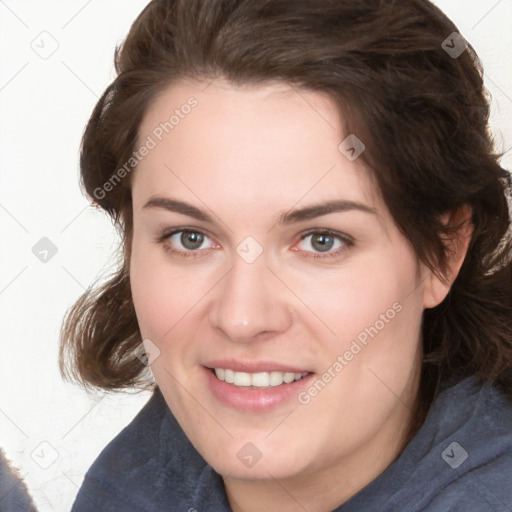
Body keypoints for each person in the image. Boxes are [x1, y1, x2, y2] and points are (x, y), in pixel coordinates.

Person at [59, 0, 512, 510]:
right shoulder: (131, 482)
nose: (242, 318)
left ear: (442, 254)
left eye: (322, 240)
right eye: (190, 237)